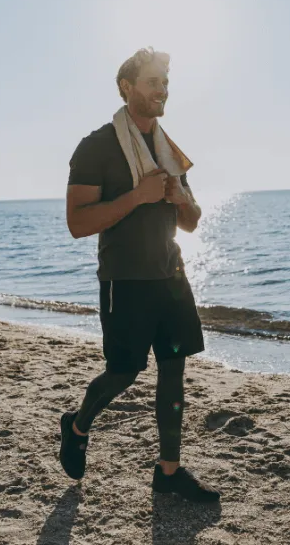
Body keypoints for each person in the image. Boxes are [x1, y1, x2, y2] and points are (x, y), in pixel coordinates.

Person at [59, 47, 220, 503]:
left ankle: (169, 471)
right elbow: (77, 223)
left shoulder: (168, 149)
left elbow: (191, 222)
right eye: (153, 82)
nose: (162, 90)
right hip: (125, 280)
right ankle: (77, 426)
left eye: (165, 82)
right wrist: (138, 196)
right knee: (124, 372)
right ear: (126, 87)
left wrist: (178, 198)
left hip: (171, 275)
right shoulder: (96, 146)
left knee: (173, 371)